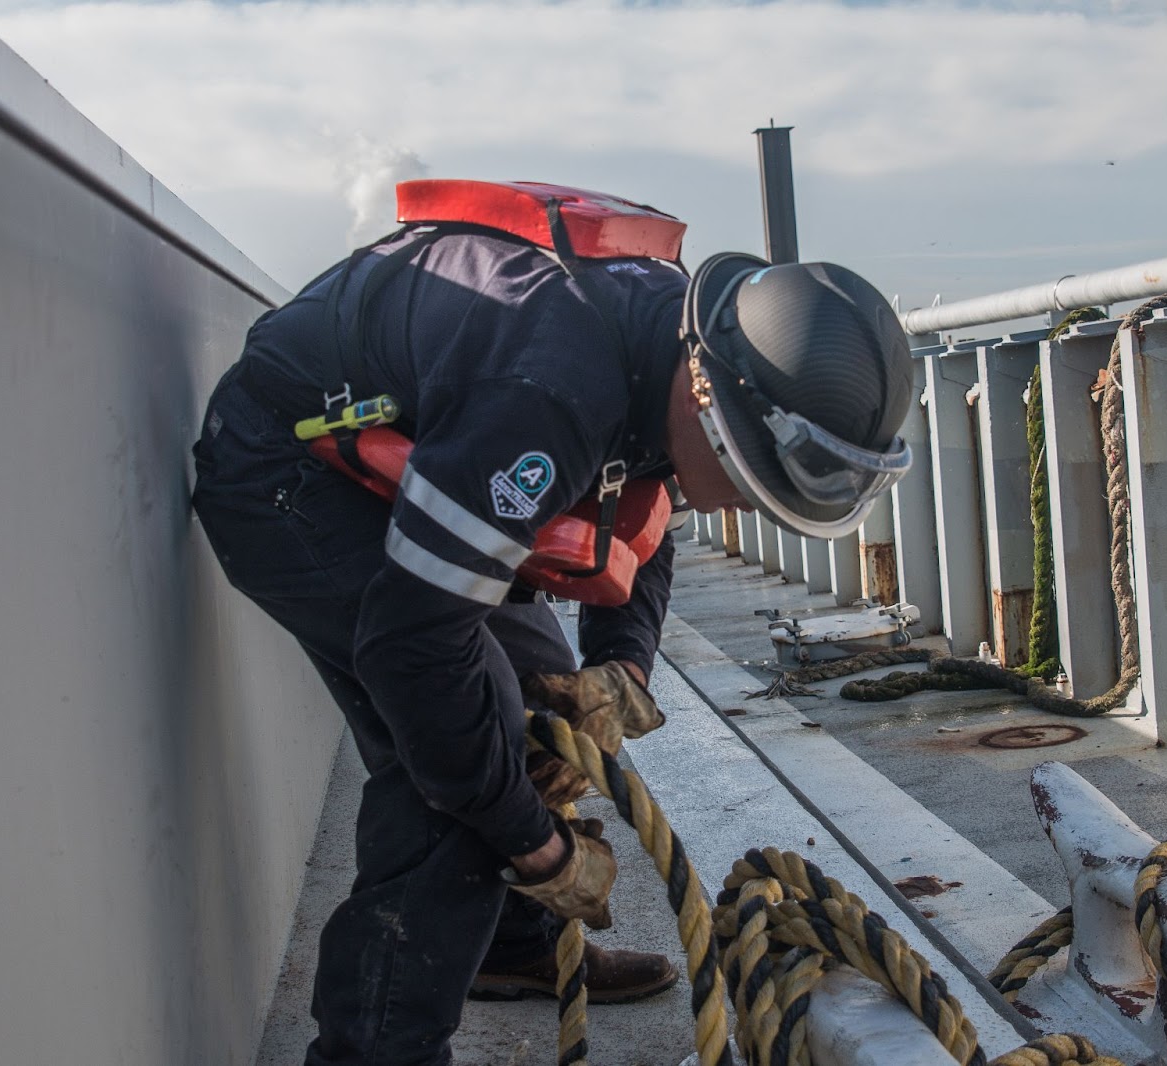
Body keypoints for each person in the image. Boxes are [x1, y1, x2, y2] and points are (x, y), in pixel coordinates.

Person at [190, 200, 914, 1066]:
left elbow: (641, 525)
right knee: (461, 753)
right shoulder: (550, 392)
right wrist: (536, 844)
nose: (739, 503)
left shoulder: (678, 346)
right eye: (743, 477)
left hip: (430, 464)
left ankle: (508, 945)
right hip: (284, 472)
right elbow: (413, 644)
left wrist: (620, 670)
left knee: (542, 714)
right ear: (708, 392)